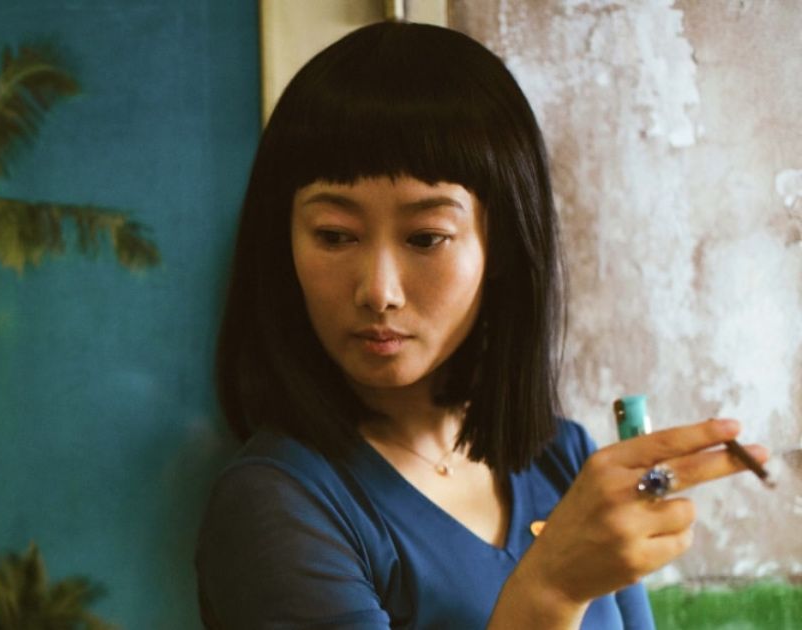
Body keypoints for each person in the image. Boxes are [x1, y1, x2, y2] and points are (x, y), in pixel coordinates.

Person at [195, 20, 768, 629]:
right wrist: (551, 588)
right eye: (335, 236)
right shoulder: (278, 504)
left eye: (426, 238)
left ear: (502, 248)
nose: (378, 292)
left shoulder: (564, 456)